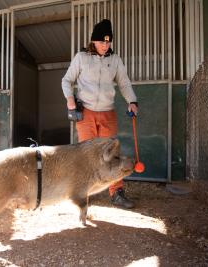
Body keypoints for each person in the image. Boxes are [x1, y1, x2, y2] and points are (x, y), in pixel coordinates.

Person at [61, 19, 138, 209]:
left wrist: (132, 101)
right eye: (102, 42)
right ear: (93, 41)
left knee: (111, 154)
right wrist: (70, 100)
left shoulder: (115, 60)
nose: (106, 45)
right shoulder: (81, 57)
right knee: (87, 155)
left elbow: (124, 83)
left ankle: (117, 192)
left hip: (107, 112)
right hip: (85, 113)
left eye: (108, 42)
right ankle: (83, 193)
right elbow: (66, 80)